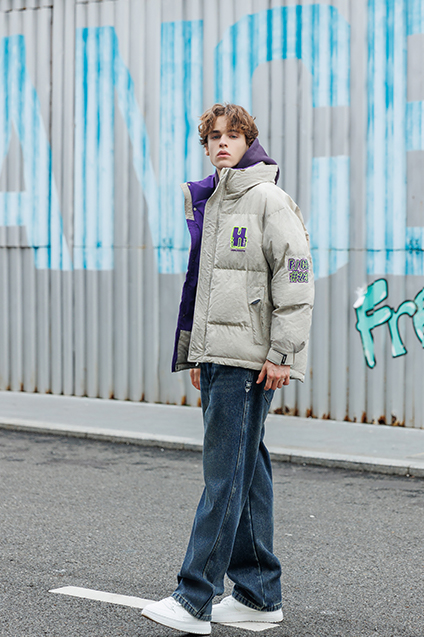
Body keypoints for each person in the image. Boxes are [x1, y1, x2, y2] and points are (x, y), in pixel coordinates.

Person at [142, 103, 314, 635]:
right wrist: (198, 352)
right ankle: (259, 595)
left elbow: (296, 273)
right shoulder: (215, 198)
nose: (222, 143)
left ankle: (195, 597)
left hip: (250, 362)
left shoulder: (266, 198)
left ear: (248, 142)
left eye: (232, 136)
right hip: (220, 356)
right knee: (245, 474)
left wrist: (283, 353)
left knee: (224, 479)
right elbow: (205, 284)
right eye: (213, 136)